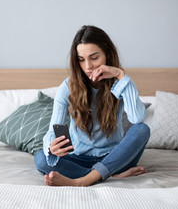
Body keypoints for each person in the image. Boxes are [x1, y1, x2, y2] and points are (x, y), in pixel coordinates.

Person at [34, 25, 150, 187]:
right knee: (41, 158)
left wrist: (120, 75)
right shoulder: (67, 87)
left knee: (142, 129)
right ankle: (109, 176)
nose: (88, 66)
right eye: (81, 59)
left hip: (114, 158)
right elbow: (53, 130)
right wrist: (52, 146)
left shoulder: (120, 83)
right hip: (79, 159)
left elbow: (137, 118)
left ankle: (83, 180)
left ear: (107, 54)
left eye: (94, 57)